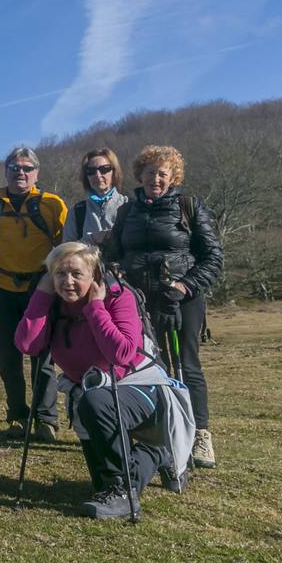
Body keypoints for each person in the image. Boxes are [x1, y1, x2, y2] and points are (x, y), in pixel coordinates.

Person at [16, 242, 190, 518]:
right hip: (94, 398)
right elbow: (27, 344)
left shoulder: (118, 298)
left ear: (94, 275)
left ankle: (122, 494)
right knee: (99, 483)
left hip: (142, 387)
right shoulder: (53, 304)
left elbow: (121, 353)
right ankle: (156, 456)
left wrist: (96, 306)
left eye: (76, 274)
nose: (68, 281)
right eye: (59, 274)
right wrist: (41, 296)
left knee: (95, 402)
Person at [103, 145, 223, 469]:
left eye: (162, 173)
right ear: (139, 175)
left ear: (173, 177)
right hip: (137, 301)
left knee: (186, 363)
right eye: (150, 172)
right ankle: (155, 433)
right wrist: (116, 273)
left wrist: (185, 286)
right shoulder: (127, 212)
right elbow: (113, 254)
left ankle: (199, 435)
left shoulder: (188, 206)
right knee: (143, 365)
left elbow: (213, 257)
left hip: (182, 298)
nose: (155, 178)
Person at [0, 147, 67, 442]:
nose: (20, 173)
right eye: (14, 167)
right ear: (6, 171)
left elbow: (64, 247)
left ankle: (46, 419)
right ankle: (17, 415)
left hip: (40, 288)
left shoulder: (52, 204)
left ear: (37, 173)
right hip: (1, 287)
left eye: (27, 168)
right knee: (7, 356)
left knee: (43, 355)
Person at [65, 148, 128, 246]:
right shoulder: (77, 212)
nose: (98, 175)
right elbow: (67, 249)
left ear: (114, 172)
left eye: (104, 169)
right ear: (86, 176)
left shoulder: (128, 205)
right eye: (91, 171)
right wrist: (92, 238)